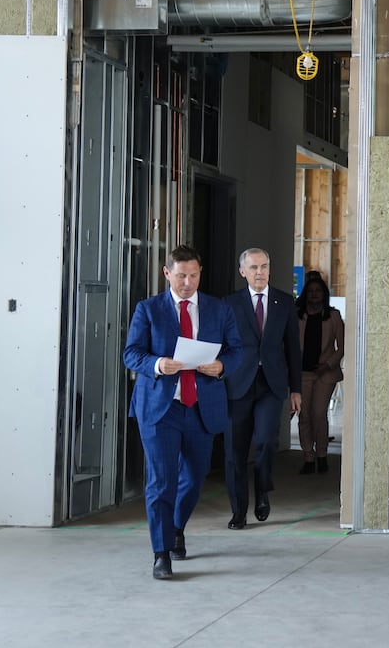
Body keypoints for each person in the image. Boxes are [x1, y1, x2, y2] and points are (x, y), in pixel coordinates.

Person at [123, 245, 242, 580]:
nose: (187, 283)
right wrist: (157, 363)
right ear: (167, 273)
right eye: (180, 276)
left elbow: (236, 350)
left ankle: (176, 527)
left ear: (200, 273)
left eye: (193, 275)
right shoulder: (148, 309)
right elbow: (131, 353)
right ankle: (161, 554)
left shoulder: (219, 310)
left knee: (193, 476)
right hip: (161, 408)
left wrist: (222, 366)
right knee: (162, 481)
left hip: (201, 406)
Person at [223, 248, 302, 529]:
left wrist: (296, 389)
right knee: (235, 451)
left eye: (264, 266)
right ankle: (238, 511)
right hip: (237, 384)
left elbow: (293, 347)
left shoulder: (285, 302)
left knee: (267, 441)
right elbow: (222, 345)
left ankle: (263, 490)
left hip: (271, 383)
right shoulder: (230, 304)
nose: (260, 272)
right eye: (254, 267)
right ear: (242, 271)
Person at [295, 273, 344, 474]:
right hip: (303, 373)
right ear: (305, 294)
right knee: (304, 415)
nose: (314, 295)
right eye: (311, 292)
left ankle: (322, 454)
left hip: (325, 373)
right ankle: (308, 456)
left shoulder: (333, 316)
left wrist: (329, 364)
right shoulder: (297, 316)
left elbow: (342, 347)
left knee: (318, 414)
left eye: (318, 291)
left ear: (324, 294)